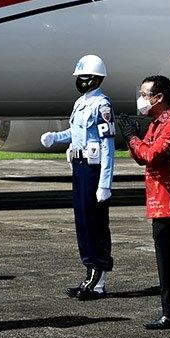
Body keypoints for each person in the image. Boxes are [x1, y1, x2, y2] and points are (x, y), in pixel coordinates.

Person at [116, 75, 170, 330]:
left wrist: (131, 137)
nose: (141, 99)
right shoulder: (157, 123)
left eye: (144, 94)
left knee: (168, 260)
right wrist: (135, 139)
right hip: (164, 200)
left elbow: (151, 156)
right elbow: (144, 156)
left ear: (159, 97)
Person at [41, 55, 115, 300]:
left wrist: (105, 183)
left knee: (95, 222)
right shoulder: (81, 103)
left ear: (95, 78)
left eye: (84, 77)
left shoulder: (102, 105)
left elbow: (108, 147)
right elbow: (75, 132)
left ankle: (98, 278)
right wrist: (55, 137)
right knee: (82, 221)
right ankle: (89, 272)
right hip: (79, 166)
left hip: (94, 170)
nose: (80, 81)